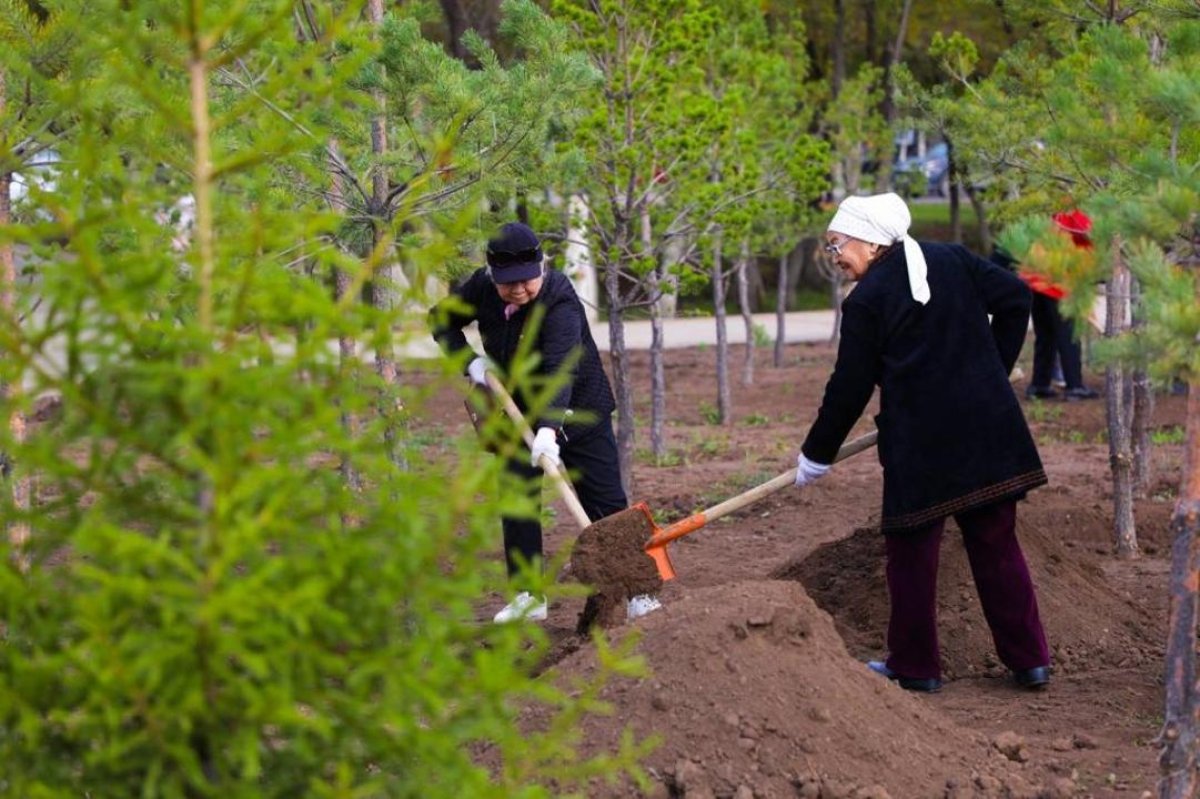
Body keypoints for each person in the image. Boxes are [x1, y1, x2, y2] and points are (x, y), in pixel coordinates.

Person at [795, 193, 1051, 693]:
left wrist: (816, 454)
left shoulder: (866, 302)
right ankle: (1031, 661)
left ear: (869, 241)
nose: (836, 257)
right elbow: (1017, 298)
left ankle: (915, 668)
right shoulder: (952, 259)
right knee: (997, 546)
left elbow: (848, 388)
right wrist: (992, 373)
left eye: (836, 246)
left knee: (912, 554)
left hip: (922, 444)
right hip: (985, 427)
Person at [429, 221, 661, 624]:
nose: (517, 289)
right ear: (491, 274)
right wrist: (473, 365)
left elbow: (559, 369)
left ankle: (639, 592)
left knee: (606, 504)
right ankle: (527, 594)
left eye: (525, 280)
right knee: (517, 503)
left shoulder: (560, 301)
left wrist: (549, 430)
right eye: (507, 283)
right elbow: (440, 321)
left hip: (580, 413)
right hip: (515, 411)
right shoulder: (481, 288)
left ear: (541, 268)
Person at [1020, 210, 1100, 401]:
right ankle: (1075, 386)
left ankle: (1039, 385)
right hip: (1057, 282)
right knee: (1069, 335)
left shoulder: (1057, 214)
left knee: (1046, 335)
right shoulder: (1076, 214)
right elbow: (1090, 236)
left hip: (1034, 278)